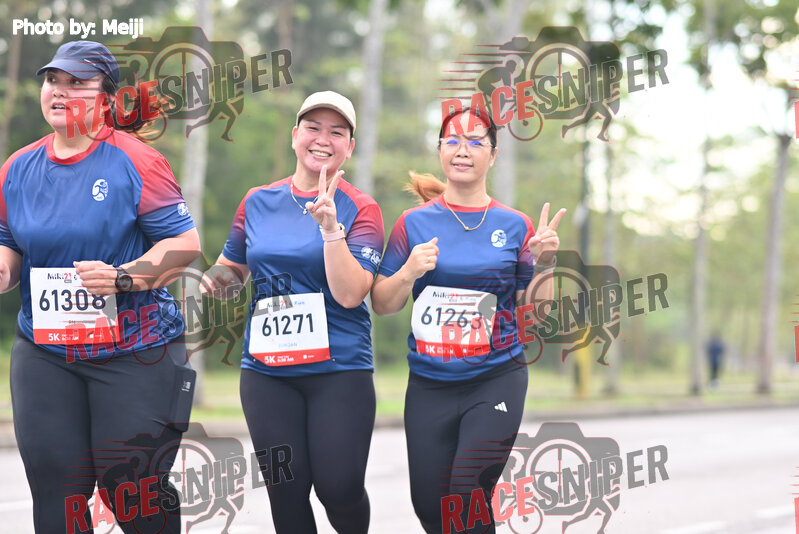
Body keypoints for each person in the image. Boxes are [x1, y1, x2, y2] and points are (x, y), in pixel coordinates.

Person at [0, 41, 201, 533]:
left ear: (107, 98)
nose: (60, 91)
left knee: (132, 494)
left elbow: (185, 244)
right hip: (46, 352)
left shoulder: (136, 161)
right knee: (57, 494)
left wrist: (122, 277)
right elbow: (8, 244)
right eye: (53, 80)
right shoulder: (18, 167)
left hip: (136, 350)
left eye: (77, 83)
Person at [371, 106, 566, 534]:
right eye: (453, 141)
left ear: (492, 156)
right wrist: (408, 273)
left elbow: (537, 313)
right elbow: (383, 304)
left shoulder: (515, 225)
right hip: (429, 383)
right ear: (440, 150)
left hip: (495, 378)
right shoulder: (413, 223)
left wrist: (546, 263)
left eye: (476, 142)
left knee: (467, 496)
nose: (463, 150)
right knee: (429, 507)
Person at [204, 91, 384, 534]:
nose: (322, 139)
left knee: (339, 489)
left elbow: (351, 294)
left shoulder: (361, 207)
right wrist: (211, 281)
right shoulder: (257, 200)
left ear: (349, 147)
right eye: (313, 128)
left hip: (338, 371)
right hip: (267, 372)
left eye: (336, 132)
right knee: (285, 492)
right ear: (294, 136)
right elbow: (231, 271)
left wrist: (331, 230)